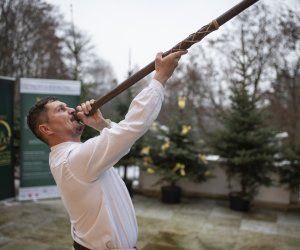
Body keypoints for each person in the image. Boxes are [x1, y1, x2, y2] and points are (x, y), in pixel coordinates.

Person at [27, 50, 187, 250]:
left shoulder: (74, 156)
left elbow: (119, 142)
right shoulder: (71, 160)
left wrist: (102, 124)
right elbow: (132, 127)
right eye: (61, 109)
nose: (71, 110)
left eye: (67, 106)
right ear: (46, 129)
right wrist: (159, 79)